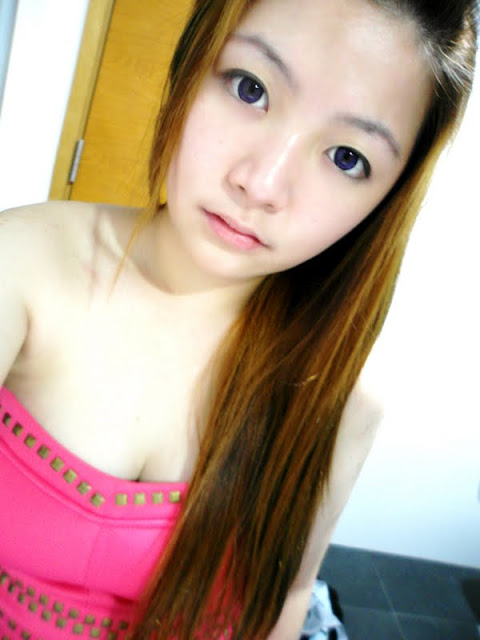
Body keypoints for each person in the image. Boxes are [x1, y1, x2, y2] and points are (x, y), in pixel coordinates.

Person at [0, 0, 477, 638]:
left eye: (346, 157)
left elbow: (290, 594)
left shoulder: (341, 392)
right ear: (191, 61)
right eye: (250, 88)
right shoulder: (22, 266)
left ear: (384, 201)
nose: (262, 184)